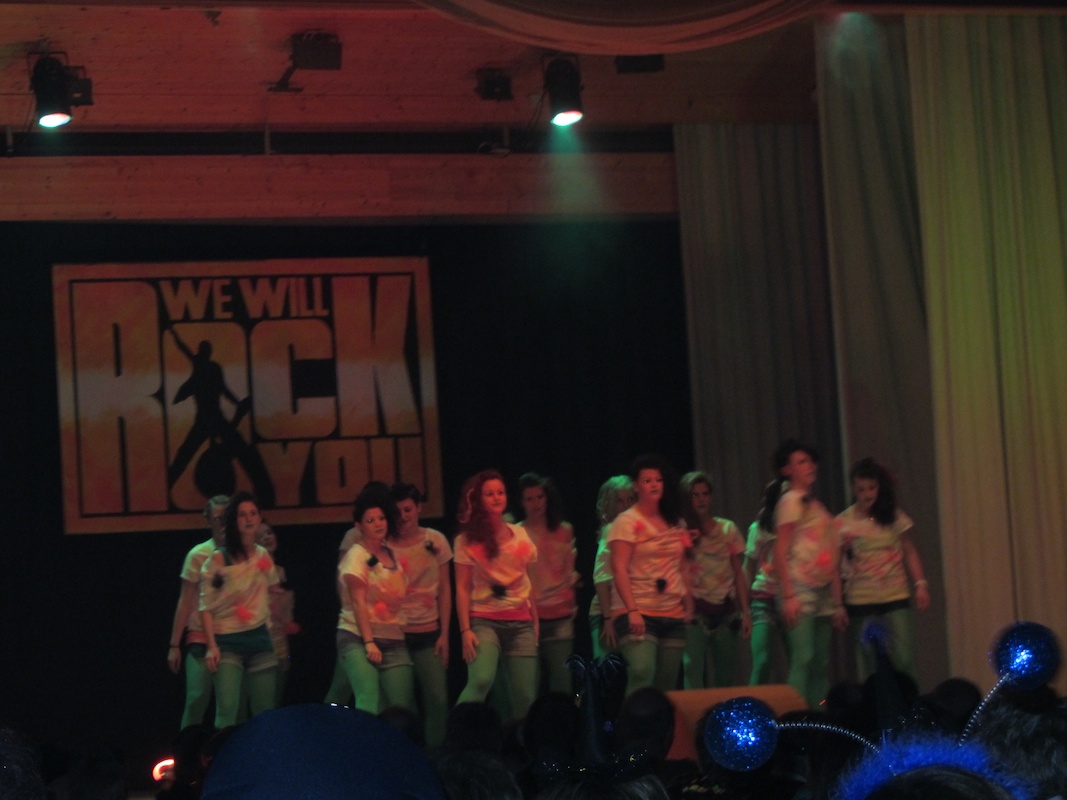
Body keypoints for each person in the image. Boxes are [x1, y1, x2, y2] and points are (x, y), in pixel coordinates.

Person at [765, 440, 847, 708]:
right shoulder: (790, 501)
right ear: (786, 470)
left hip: (822, 589)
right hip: (800, 587)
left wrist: (837, 602)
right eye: (801, 462)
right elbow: (780, 550)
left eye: (810, 461)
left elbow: (831, 553)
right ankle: (795, 718)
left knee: (819, 662)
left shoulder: (815, 506)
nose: (810, 466)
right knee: (804, 657)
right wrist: (789, 595)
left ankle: (818, 717)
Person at [454, 469, 540, 720]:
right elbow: (461, 587)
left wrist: (534, 619)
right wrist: (465, 630)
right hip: (484, 619)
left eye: (500, 492)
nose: (496, 497)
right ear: (479, 499)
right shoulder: (466, 540)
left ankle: (522, 741)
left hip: (521, 622)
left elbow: (528, 580)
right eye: (489, 494)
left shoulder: (520, 533)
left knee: (525, 695)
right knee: (481, 680)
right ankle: (457, 733)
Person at [838, 458, 929, 682]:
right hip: (861, 596)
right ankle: (874, 702)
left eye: (871, 488)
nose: (867, 494)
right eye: (861, 489)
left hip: (895, 593)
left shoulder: (893, 515)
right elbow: (834, 564)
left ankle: (909, 700)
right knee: (869, 663)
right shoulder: (844, 521)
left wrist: (920, 584)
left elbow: (909, 551)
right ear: (853, 489)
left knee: (903, 658)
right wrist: (837, 604)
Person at [608, 454, 692, 696]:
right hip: (638, 607)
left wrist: (688, 601)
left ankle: (660, 721)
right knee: (642, 671)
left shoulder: (676, 522)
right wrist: (632, 610)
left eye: (658, 480)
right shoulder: (626, 521)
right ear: (636, 486)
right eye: (647, 481)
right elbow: (619, 568)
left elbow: (682, 565)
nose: (654, 485)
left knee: (667, 682)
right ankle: (632, 720)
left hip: (671, 609)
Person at [199, 491, 279, 728]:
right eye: (242, 514)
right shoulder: (219, 559)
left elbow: (272, 593)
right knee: (227, 711)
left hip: (259, 638)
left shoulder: (263, 556)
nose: (249, 519)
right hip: (227, 641)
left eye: (253, 513)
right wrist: (212, 646)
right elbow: (205, 607)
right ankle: (223, 750)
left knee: (266, 711)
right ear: (234, 520)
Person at [336, 483, 415, 715]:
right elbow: (358, 601)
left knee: (400, 707)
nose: (378, 524)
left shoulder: (392, 555)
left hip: (392, 637)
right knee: (368, 698)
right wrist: (369, 642)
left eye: (381, 518)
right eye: (370, 520)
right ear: (359, 526)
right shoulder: (356, 555)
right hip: (357, 636)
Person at [390, 481, 453, 747]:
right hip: (395, 634)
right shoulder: (384, 544)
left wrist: (445, 634)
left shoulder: (435, 540)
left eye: (407, 510)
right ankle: (408, 754)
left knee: (438, 699)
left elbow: (445, 589)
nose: (403, 517)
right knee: (401, 704)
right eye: (397, 512)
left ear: (418, 508)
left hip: (429, 632)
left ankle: (436, 755)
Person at [679, 472, 751, 689]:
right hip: (695, 609)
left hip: (725, 610)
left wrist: (745, 612)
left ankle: (721, 710)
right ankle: (694, 710)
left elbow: (738, 573)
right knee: (692, 668)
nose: (701, 500)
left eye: (705, 494)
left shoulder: (727, 528)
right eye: (694, 495)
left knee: (725, 675)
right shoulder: (682, 531)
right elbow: (677, 569)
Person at [168, 495, 229, 730]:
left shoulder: (243, 553)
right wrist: (174, 645)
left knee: (230, 705)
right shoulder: (199, 554)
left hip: (232, 635)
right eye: (218, 518)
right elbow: (185, 601)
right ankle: (186, 749)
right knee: (197, 698)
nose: (223, 523)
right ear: (208, 521)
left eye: (227, 517)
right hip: (201, 637)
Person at [519, 472, 579, 694]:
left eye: (539, 497)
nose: (535, 503)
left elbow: (570, 571)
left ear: (547, 498)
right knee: (528, 685)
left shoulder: (564, 530)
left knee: (562, 684)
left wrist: (572, 595)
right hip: (528, 617)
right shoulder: (516, 532)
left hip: (560, 614)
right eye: (529, 499)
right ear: (522, 502)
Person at [589, 476, 635, 660]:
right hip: (605, 609)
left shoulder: (639, 528)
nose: (626, 505)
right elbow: (601, 578)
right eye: (620, 501)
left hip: (628, 607)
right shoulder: (611, 530)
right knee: (605, 667)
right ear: (611, 504)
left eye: (630, 499)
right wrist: (607, 619)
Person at [255, 521, 299, 707]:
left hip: (281, 644)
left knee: (276, 701)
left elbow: (286, 607)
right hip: (260, 644)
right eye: (260, 536)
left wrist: (289, 622)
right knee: (261, 701)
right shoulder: (252, 572)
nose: (267, 537)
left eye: (269, 532)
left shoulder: (282, 571)